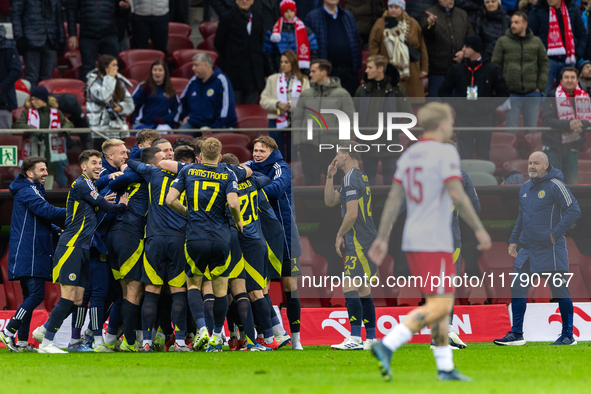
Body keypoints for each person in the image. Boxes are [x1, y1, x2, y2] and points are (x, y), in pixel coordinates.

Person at [368, 102, 491, 381]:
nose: (451, 127)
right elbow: (457, 193)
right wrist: (479, 229)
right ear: (441, 124)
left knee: (441, 300)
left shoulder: (409, 155)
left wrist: (384, 235)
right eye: (450, 122)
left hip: (414, 238)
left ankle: (445, 366)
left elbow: (394, 199)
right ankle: (387, 344)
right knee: (440, 305)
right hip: (434, 239)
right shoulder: (445, 151)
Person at [32, 150, 128, 354]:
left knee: (78, 300)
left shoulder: (90, 185)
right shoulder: (82, 184)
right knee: (68, 298)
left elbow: (97, 203)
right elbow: (106, 208)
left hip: (83, 248)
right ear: (83, 166)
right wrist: (122, 205)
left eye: (99, 163)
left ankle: (55, 333)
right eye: (93, 163)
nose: (97, 166)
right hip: (71, 247)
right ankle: (46, 341)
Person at [165, 138, 244, 353]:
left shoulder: (189, 171)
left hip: (195, 237)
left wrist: (188, 213)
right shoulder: (228, 173)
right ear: (219, 157)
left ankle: (202, 330)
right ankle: (218, 335)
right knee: (220, 289)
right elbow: (233, 203)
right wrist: (238, 221)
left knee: (193, 285)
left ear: (199, 156)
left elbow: (170, 199)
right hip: (221, 238)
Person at [495, 151, 580, 346]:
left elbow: (574, 210)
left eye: (536, 163)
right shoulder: (524, 188)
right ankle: (516, 334)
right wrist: (514, 240)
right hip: (528, 249)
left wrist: (554, 233)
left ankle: (568, 335)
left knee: (560, 290)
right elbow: (521, 216)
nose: (532, 166)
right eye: (529, 163)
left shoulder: (557, 185)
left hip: (550, 249)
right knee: (517, 287)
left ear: (546, 165)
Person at [124, 142, 193, 352]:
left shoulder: (152, 173)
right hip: (178, 239)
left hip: (154, 238)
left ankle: (146, 342)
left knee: (151, 292)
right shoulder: (188, 175)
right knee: (178, 292)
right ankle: (180, 342)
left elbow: (132, 161)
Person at [0, 157, 66, 352]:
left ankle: (21, 341)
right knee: (36, 294)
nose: (46, 173)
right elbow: (45, 210)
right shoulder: (27, 190)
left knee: (29, 295)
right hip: (29, 250)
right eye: (42, 170)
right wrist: (76, 210)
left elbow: (37, 218)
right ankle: (9, 330)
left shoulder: (32, 190)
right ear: (29, 173)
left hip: (31, 249)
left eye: (46, 169)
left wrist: (55, 229)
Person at [246, 136, 304, 350]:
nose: (257, 154)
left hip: (286, 233)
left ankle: (296, 340)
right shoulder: (249, 166)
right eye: (255, 150)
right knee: (263, 286)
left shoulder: (282, 167)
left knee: (290, 287)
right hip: (263, 234)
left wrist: (249, 188)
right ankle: (272, 333)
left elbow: (277, 189)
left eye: (261, 150)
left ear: (272, 151)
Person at [324, 141, 378, 351]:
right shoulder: (358, 176)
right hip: (365, 239)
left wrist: (339, 235)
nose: (335, 157)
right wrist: (329, 177)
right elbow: (330, 201)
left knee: (349, 286)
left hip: (360, 241)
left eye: (337, 153)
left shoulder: (351, 177)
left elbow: (352, 214)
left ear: (345, 155)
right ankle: (371, 339)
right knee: (363, 290)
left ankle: (355, 338)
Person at [439, 35, 510, 160]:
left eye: (466, 46)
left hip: (484, 118)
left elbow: (503, 92)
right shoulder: (457, 69)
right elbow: (443, 91)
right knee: (464, 155)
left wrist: (489, 105)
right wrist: (456, 104)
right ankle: (465, 179)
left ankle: (483, 179)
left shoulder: (491, 69)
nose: (463, 50)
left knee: (483, 154)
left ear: (475, 49)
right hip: (463, 118)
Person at [292, 59, 355, 186]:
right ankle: (311, 206)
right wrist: (298, 141)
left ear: (323, 72)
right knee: (310, 181)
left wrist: (343, 145)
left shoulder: (342, 94)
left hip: (333, 147)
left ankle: (334, 206)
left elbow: (348, 121)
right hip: (308, 147)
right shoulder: (306, 94)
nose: (310, 74)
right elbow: (297, 119)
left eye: (313, 71)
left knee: (335, 181)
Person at [354, 55, 412, 185]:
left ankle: (389, 206)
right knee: (367, 183)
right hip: (367, 143)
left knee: (390, 182)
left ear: (380, 68)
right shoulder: (362, 91)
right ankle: (369, 206)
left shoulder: (397, 90)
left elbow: (408, 117)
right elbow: (354, 115)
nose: (366, 71)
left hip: (389, 143)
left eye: (370, 67)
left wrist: (392, 129)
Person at [492, 11, 549, 134]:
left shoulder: (536, 41)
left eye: (516, 22)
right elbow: (495, 66)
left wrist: (540, 86)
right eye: (512, 22)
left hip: (533, 93)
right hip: (511, 94)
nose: (513, 25)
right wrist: (501, 87)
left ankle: (532, 154)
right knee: (511, 131)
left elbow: (544, 63)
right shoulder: (502, 41)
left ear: (525, 24)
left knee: (532, 131)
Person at [13, 86, 73, 188]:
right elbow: (18, 125)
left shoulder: (56, 113)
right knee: (31, 185)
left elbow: (68, 124)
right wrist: (36, 132)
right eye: (32, 99)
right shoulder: (27, 112)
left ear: (43, 99)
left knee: (47, 187)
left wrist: (64, 132)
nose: (33, 102)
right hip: (33, 151)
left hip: (50, 156)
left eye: (36, 99)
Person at [369, 0, 429, 99]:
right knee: (389, 104)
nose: (393, 10)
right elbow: (373, 45)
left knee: (410, 106)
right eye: (390, 7)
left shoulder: (413, 24)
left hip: (411, 72)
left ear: (402, 8)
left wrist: (424, 68)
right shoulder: (381, 23)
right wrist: (376, 66)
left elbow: (422, 47)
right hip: (388, 69)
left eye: (396, 7)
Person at [541, 67, 590, 184]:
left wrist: (580, 124)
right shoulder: (552, 95)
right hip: (553, 148)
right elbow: (547, 120)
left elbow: (588, 118)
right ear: (561, 81)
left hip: (573, 148)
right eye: (566, 77)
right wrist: (569, 124)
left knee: (572, 186)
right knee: (553, 185)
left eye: (573, 77)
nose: (570, 80)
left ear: (577, 80)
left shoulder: (584, 96)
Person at [260, 50, 310, 162]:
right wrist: (277, 105)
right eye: (281, 62)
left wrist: (290, 106)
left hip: (296, 120)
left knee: (293, 154)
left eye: (286, 62)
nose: (282, 64)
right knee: (277, 153)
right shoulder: (273, 79)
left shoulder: (304, 81)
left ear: (293, 63)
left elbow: (307, 101)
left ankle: (294, 178)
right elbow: (263, 100)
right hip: (275, 120)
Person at [304, 0, 363, 96]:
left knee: (348, 107)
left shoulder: (348, 16)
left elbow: (356, 41)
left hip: (348, 73)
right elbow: (308, 46)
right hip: (326, 73)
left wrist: (356, 67)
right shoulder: (312, 17)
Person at [528, 0, 587, 94]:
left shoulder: (572, 10)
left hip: (569, 60)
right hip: (547, 61)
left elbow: (582, 35)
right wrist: (540, 55)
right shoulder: (538, 11)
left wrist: (577, 54)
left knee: (568, 95)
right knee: (543, 95)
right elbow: (530, 37)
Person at [214, 0, 266, 105]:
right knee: (234, 109)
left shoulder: (258, 16)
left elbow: (261, 42)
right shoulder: (227, 17)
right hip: (234, 73)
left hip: (253, 74)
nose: (244, 1)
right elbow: (219, 43)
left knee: (251, 113)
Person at [420, 0, 474, 98]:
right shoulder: (428, 13)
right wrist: (430, 25)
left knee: (461, 110)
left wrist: (463, 52)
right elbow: (425, 35)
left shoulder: (462, 14)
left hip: (460, 71)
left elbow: (471, 37)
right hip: (438, 72)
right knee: (436, 111)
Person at [66, 0, 126, 81]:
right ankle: (87, 92)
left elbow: (121, 12)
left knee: (112, 69)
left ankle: (112, 92)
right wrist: (73, 34)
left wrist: (126, 8)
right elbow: (71, 11)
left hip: (110, 35)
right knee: (87, 71)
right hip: (88, 36)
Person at [179, 53, 237, 132]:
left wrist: (214, 128)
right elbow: (182, 101)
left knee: (213, 141)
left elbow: (226, 108)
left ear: (206, 65)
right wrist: (184, 116)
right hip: (194, 123)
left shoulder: (221, 80)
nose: (193, 68)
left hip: (218, 125)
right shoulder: (193, 81)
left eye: (196, 65)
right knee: (182, 134)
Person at [11, 0, 65, 87]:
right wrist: (20, 38)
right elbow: (16, 15)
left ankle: (46, 100)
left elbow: (59, 18)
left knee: (48, 78)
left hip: (51, 41)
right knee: (32, 77)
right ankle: (32, 100)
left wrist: (61, 39)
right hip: (30, 41)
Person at [86, 55, 135, 146]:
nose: (117, 67)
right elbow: (104, 97)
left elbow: (130, 104)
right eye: (114, 65)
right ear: (105, 66)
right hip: (99, 130)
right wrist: (109, 78)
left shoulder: (119, 81)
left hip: (117, 128)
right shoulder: (93, 81)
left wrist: (121, 108)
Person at [264, 0, 319, 75]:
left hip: (300, 72)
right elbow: (268, 53)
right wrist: (273, 71)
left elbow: (313, 52)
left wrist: (307, 72)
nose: (289, 14)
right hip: (279, 71)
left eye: (291, 11)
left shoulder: (305, 30)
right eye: (286, 11)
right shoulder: (274, 31)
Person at [132, 60, 181, 130]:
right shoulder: (143, 86)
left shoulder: (171, 91)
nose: (157, 73)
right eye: (155, 70)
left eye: (160, 70)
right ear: (151, 72)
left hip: (163, 125)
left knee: (162, 132)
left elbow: (176, 110)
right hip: (143, 124)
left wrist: (164, 119)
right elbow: (133, 103)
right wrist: (142, 94)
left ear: (165, 73)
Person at [0, 25, 21, 129]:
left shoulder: (8, 47)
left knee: (4, 140)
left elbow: (16, 71)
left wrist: (1, 88)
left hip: (3, 102)